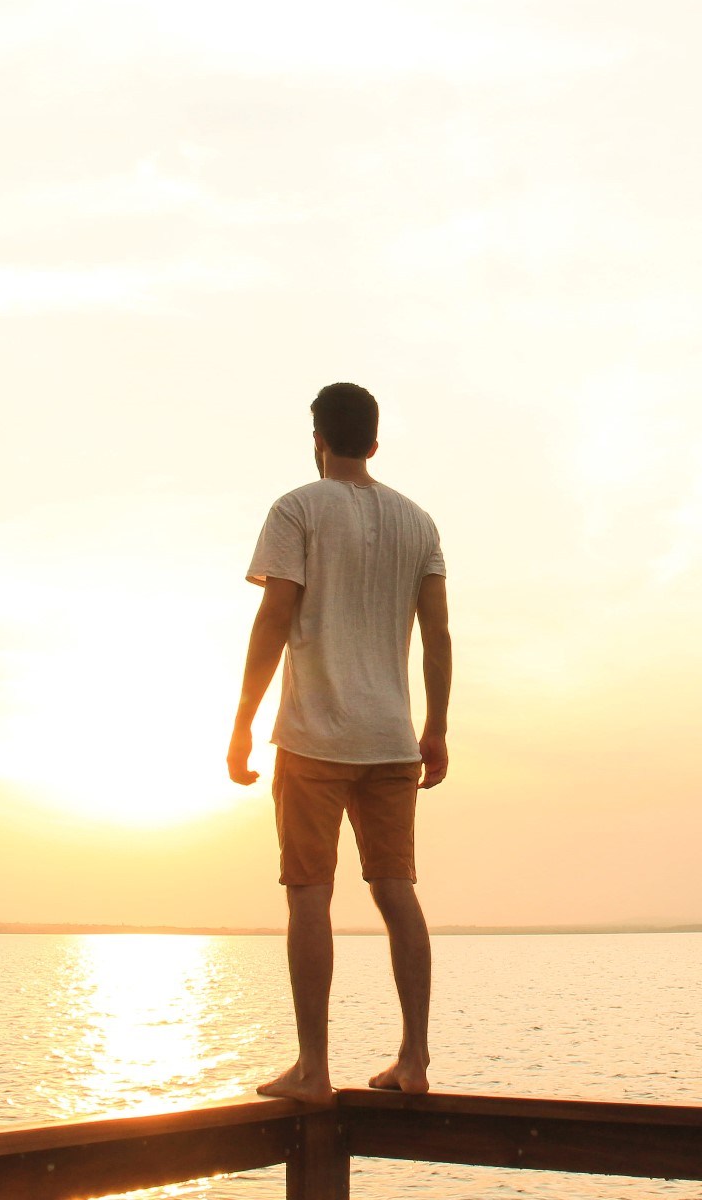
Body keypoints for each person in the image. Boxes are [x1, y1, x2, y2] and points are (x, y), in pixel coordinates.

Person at [227, 381, 452, 1104]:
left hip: (314, 737)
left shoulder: (298, 507)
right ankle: (413, 1060)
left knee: (309, 896)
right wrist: (436, 726)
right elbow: (436, 634)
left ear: (316, 438)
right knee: (396, 892)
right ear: (375, 442)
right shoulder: (418, 522)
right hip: (391, 737)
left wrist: (240, 722)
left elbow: (273, 618)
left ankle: (312, 1070)